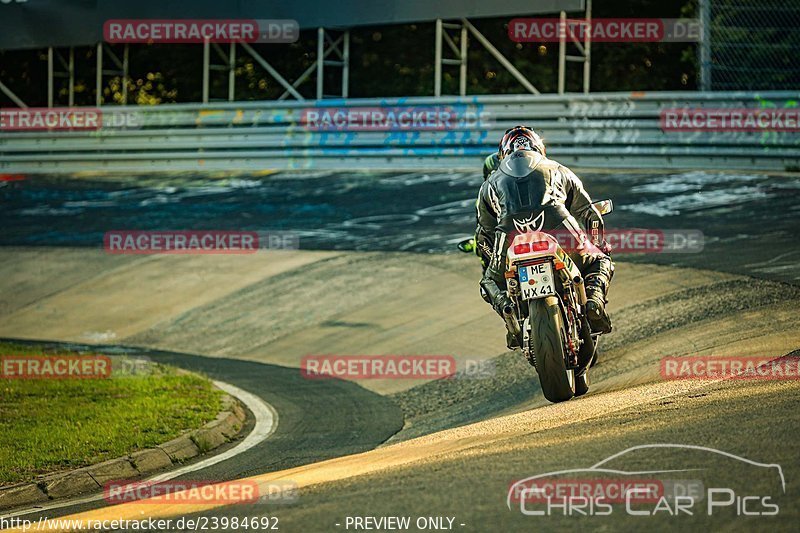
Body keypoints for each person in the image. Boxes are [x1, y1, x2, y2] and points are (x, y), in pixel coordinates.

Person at [475, 126, 614, 349]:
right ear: (539, 148)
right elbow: (589, 213)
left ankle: (511, 319)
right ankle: (594, 301)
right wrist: (598, 244)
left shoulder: (489, 183)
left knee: (490, 282)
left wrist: (495, 261)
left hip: (509, 237)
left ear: (503, 153)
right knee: (600, 259)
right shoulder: (558, 168)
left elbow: (484, 235)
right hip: (559, 227)